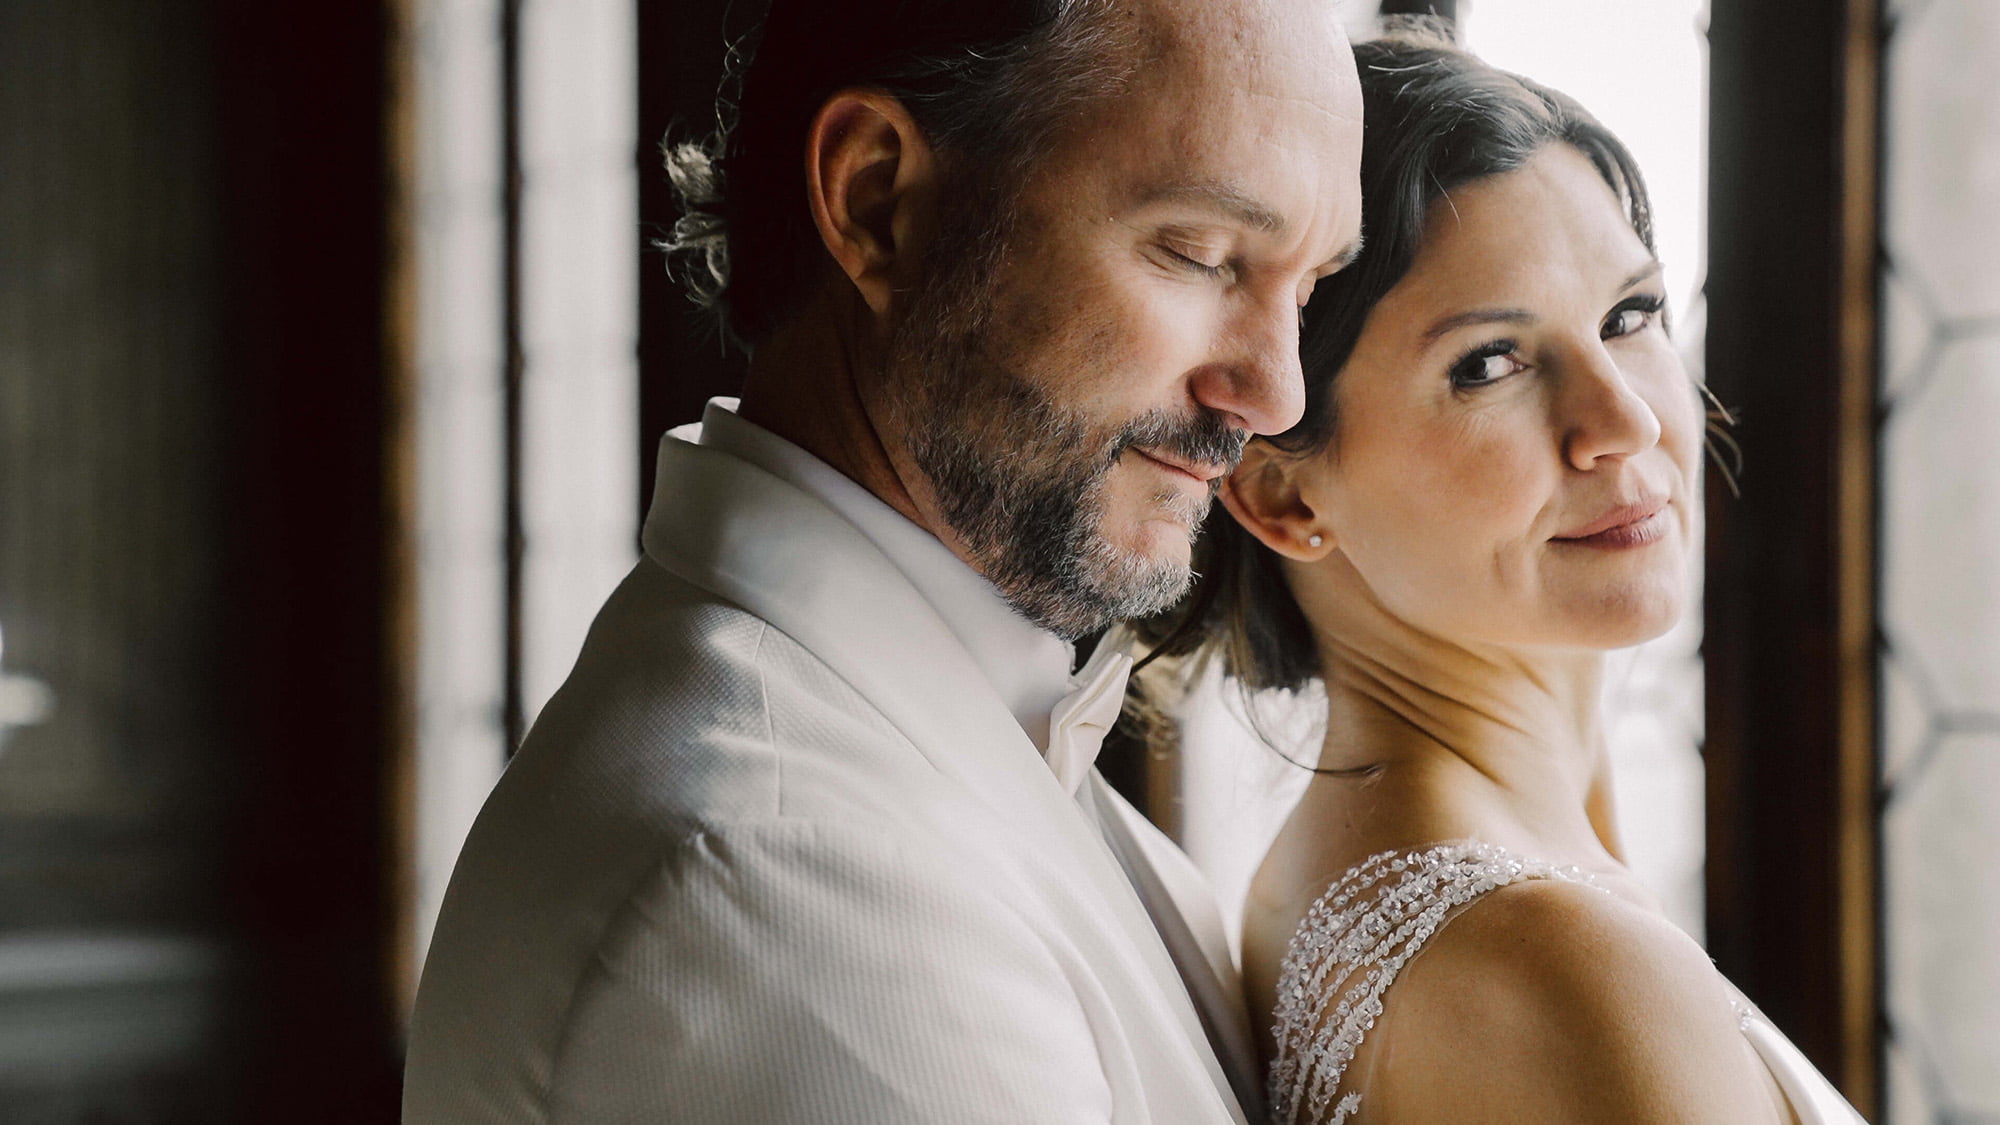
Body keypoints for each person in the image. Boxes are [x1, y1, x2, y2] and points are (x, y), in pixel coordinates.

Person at [402, 0, 1364, 1121]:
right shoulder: (789, 874)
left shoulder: (964, 729)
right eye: (1198, 255)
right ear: (876, 201)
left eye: (1307, 289)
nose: (1276, 392)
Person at [1134, 26, 1867, 1125]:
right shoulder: (1562, 971)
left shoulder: (1321, 870)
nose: (1619, 423)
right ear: (1284, 497)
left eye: (1629, 317)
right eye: (1489, 363)